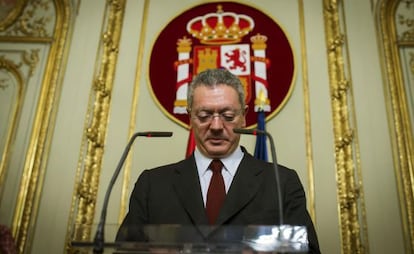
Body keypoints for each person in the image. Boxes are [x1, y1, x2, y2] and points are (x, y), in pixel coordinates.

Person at [116, 68, 320, 253]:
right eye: (204, 115)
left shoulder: (281, 182)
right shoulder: (152, 184)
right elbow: (125, 250)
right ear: (190, 118)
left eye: (228, 115)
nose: (215, 125)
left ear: (244, 117)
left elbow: (308, 250)